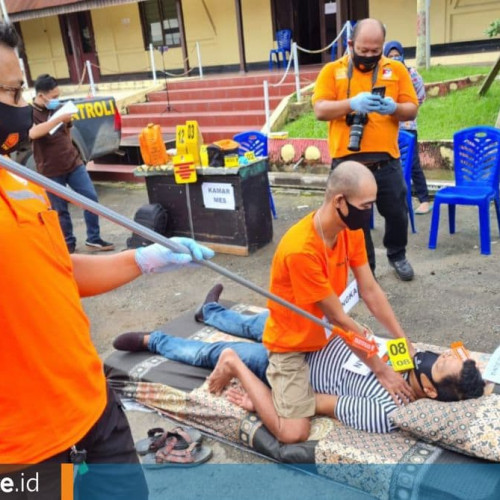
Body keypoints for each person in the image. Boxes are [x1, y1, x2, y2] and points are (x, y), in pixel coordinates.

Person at [0, 21, 214, 500]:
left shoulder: (22, 181)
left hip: (93, 407)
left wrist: (148, 258)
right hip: (22, 452)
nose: (20, 111)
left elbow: (58, 272)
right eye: (11, 95)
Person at [209, 161, 413, 444]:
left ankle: (213, 314)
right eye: (366, 206)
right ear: (339, 201)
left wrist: (403, 340)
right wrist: (381, 371)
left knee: (250, 323)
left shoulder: (349, 228)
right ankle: (232, 362)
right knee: (293, 433)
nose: (370, 213)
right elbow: (341, 319)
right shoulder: (302, 250)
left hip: (325, 334)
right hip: (292, 344)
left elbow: (370, 289)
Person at [113, 284, 485, 434]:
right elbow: (370, 337)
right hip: (316, 339)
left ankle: (153, 340)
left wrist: (265, 402)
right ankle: (209, 312)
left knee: (212, 353)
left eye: (435, 365)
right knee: (257, 322)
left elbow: (317, 403)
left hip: (292, 367)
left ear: (432, 393)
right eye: (440, 355)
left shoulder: (384, 412)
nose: (426, 357)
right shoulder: (409, 359)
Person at [312, 18, 419, 281]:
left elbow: (412, 108)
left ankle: (397, 254)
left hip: (386, 162)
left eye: (375, 50)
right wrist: (351, 103)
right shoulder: (331, 71)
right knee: (354, 221)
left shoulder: (395, 70)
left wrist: (394, 108)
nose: (369, 56)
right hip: (347, 166)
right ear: (350, 44)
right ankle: (366, 270)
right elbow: (320, 109)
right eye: (363, 50)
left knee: (396, 212)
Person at [29, 73, 114, 253]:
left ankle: (94, 238)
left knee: (90, 198)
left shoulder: (57, 109)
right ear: (41, 95)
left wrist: (65, 124)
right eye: (53, 97)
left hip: (73, 163)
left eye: (58, 96)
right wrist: (59, 119)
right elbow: (33, 133)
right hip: (50, 170)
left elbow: (67, 132)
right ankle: (68, 246)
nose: (56, 100)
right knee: (60, 211)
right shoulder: (31, 113)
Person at [383, 40, 431, 215]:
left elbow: (420, 97)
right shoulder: (384, 74)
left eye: (398, 55)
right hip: (388, 125)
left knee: (413, 163)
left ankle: (424, 200)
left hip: (407, 125)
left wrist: (406, 108)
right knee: (391, 163)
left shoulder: (412, 74)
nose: (395, 59)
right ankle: (397, 200)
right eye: (391, 56)